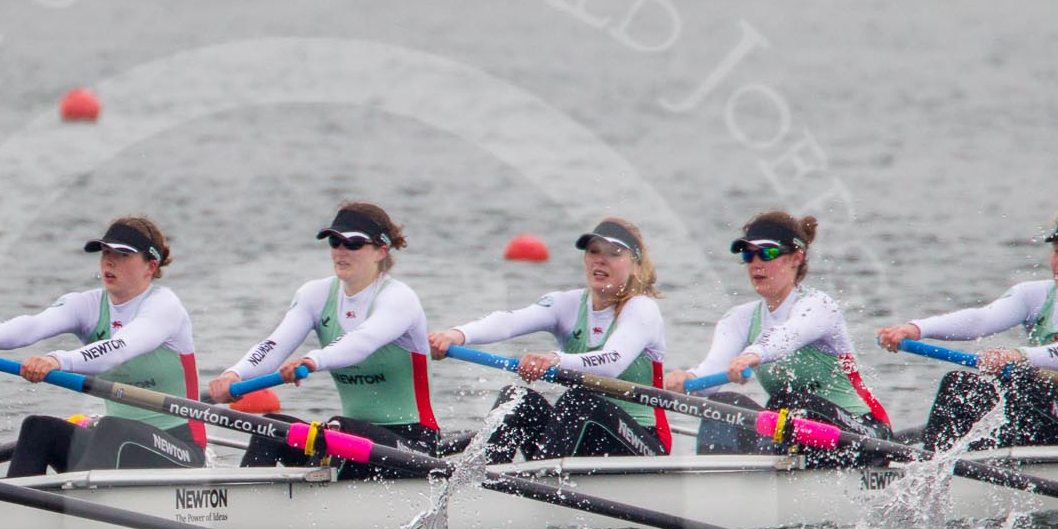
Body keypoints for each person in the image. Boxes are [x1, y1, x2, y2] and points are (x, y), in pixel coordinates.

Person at [0, 217, 203, 479]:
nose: (109, 262)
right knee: (37, 428)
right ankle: (17, 509)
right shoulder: (86, 305)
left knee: (112, 428)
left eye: (123, 255)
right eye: (106, 253)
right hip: (115, 444)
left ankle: (81, 508)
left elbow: (120, 348)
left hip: (179, 448)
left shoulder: (164, 307)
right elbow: (33, 326)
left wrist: (57, 361)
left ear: (151, 266)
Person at [205, 202, 437, 480]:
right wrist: (234, 375)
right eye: (335, 241)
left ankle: (320, 505)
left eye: (353, 243)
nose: (341, 250)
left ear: (381, 251)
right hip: (350, 438)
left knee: (336, 431)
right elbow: (274, 345)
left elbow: (362, 342)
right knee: (268, 429)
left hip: (413, 446)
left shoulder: (399, 299)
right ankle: (245, 505)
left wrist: (313, 360)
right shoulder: (315, 295)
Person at [877, 213, 1058, 452]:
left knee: (1023, 382)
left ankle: (963, 467)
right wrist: (916, 329)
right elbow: (980, 320)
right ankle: (935, 469)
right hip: (1038, 416)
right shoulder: (1034, 294)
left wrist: (1018, 355)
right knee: (959, 385)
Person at [429, 217, 672, 461]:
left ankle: (540, 483)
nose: (600, 259)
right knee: (517, 399)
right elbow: (509, 321)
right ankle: (488, 481)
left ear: (636, 266)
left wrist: (554, 359)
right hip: (582, 432)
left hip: (645, 442)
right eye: (593, 251)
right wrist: (457, 334)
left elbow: (611, 363)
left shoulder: (642, 309)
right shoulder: (567, 304)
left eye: (614, 253)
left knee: (580, 401)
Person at [665, 210, 891, 458]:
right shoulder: (739, 319)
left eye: (767, 253)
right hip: (797, 432)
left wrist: (752, 355)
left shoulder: (819, 306)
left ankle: (773, 479)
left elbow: (788, 335)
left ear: (796, 257)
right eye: (749, 255)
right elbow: (710, 374)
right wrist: (687, 379)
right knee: (725, 404)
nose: (756, 263)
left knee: (795, 405)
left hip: (865, 434)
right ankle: (721, 486)